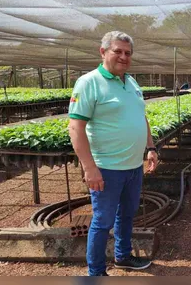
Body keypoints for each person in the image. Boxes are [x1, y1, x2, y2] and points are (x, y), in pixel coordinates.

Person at [68, 31, 158, 276]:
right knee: (102, 222)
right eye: (117, 51)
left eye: (128, 53)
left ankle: (123, 256)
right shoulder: (89, 82)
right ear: (103, 52)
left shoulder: (131, 82)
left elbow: (142, 118)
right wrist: (89, 168)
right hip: (106, 168)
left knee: (127, 215)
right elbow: (75, 128)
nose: (123, 56)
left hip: (132, 167)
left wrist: (150, 148)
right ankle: (96, 272)